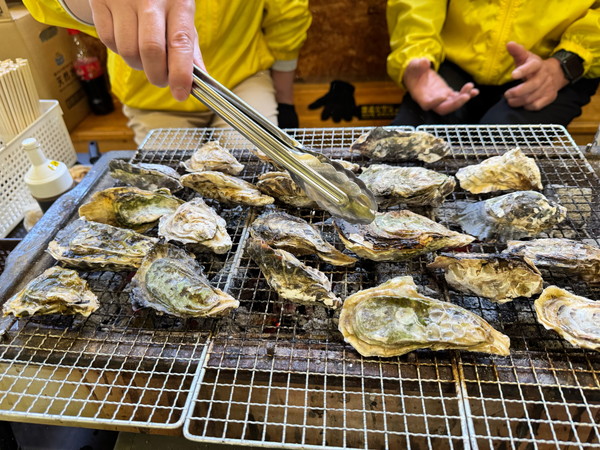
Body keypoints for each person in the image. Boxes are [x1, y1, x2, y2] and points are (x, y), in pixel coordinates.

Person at [23, 0, 311, 144]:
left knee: (256, 165)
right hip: (151, 90)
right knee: (169, 187)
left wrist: (285, 100)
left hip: (243, 80)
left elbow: (288, 14)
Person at [386, 0, 600, 127]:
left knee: (499, 157)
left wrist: (568, 62)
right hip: (451, 59)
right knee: (408, 149)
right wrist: (416, 52)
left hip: (555, 68)